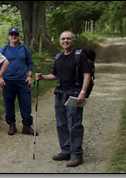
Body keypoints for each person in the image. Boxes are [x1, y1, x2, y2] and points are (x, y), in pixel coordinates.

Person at [35, 30, 90, 167]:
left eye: (68, 39)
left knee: (74, 125)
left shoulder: (79, 56)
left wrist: (83, 92)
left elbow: (87, 74)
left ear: (73, 41)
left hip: (74, 94)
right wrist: (42, 77)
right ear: (60, 41)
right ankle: (66, 150)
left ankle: (76, 154)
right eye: (63, 39)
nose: (66, 41)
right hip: (60, 94)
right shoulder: (59, 57)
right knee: (61, 124)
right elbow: (54, 76)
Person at [0, 28, 38, 136]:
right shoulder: (4, 49)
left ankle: (27, 126)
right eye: (11, 34)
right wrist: (0, 78)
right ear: (9, 36)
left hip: (22, 80)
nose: (14, 36)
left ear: (19, 36)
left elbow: (29, 62)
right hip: (8, 81)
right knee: (9, 104)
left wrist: (29, 76)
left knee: (26, 103)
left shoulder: (24, 49)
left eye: (16, 34)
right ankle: (12, 125)